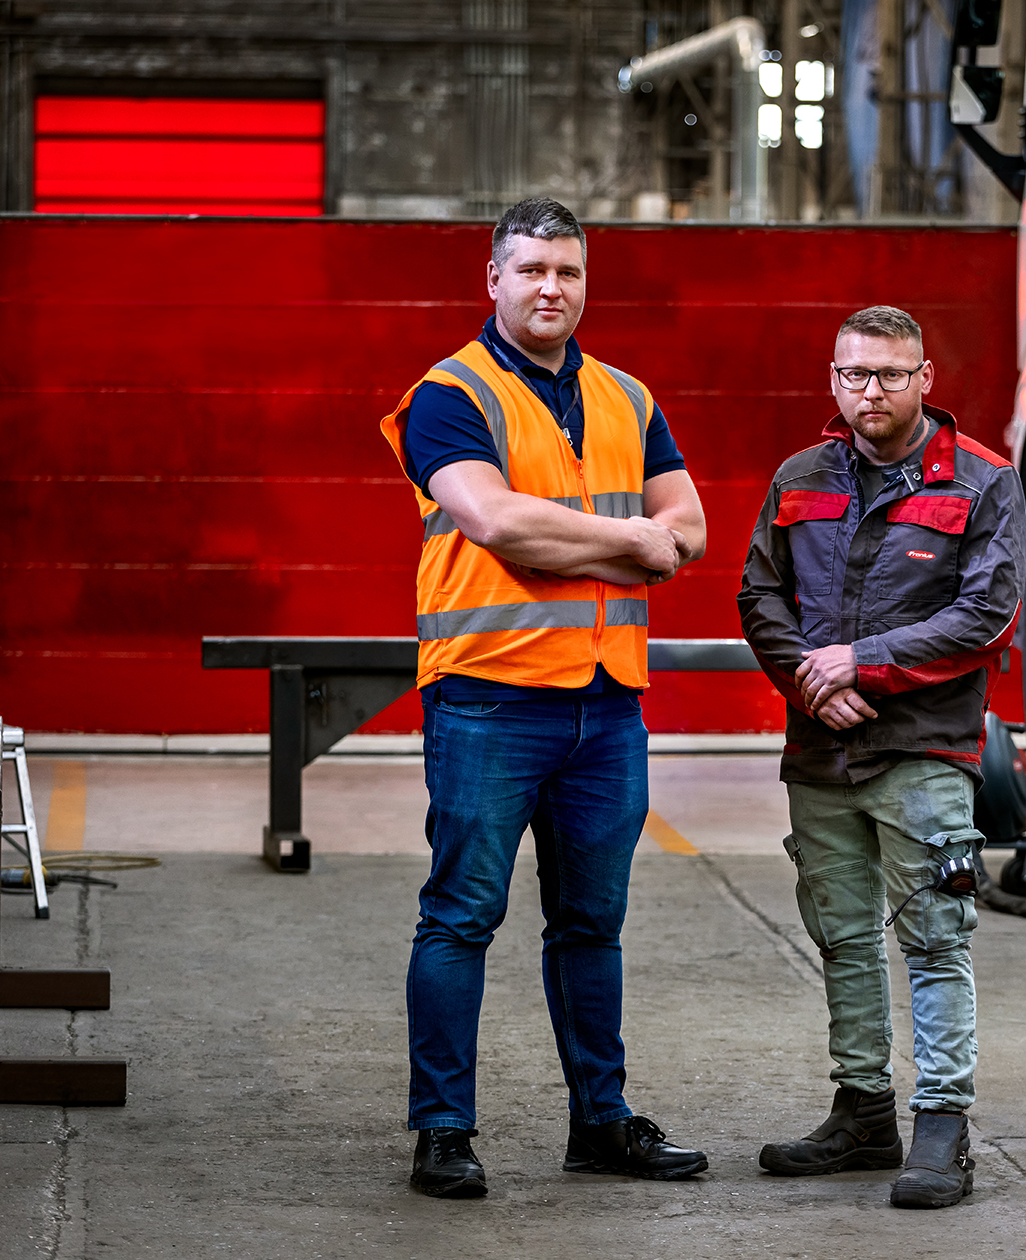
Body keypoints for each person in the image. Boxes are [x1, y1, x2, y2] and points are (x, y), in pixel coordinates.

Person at [378, 196, 709, 1198]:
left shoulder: (626, 396)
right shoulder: (448, 395)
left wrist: (621, 536)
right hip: (489, 698)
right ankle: (443, 1131)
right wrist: (629, 545)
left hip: (607, 706)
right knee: (460, 917)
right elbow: (494, 521)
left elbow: (689, 525)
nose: (550, 287)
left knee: (591, 928)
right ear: (493, 280)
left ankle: (600, 1125)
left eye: (566, 270)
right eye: (530, 270)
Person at [738, 305, 1026, 1209]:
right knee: (844, 938)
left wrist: (860, 664)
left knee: (936, 939)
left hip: (923, 751)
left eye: (891, 375)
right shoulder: (799, 476)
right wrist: (810, 682)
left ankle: (943, 1126)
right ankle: (863, 1112)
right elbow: (760, 593)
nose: (872, 390)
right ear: (834, 379)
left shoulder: (984, 482)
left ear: (925, 379)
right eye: (855, 374)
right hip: (821, 748)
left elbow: (987, 613)